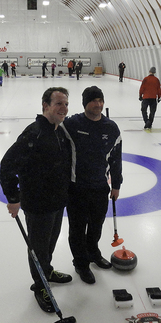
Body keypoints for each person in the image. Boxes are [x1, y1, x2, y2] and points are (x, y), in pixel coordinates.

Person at [0, 87, 72, 313]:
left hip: (58, 201)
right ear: (45, 106)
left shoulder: (59, 130)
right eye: (58, 103)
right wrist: (13, 198)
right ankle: (40, 285)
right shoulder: (34, 133)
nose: (63, 108)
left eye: (66, 104)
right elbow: (7, 165)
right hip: (38, 204)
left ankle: (47, 270)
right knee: (38, 247)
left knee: (50, 243)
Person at [62, 86, 123, 284]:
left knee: (96, 225)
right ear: (85, 103)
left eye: (100, 100)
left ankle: (93, 253)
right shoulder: (72, 124)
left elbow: (116, 158)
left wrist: (116, 184)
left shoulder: (111, 127)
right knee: (78, 228)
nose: (98, 104)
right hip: (76, 188)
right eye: (93, 100)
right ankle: (81, 263)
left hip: (100, 187)